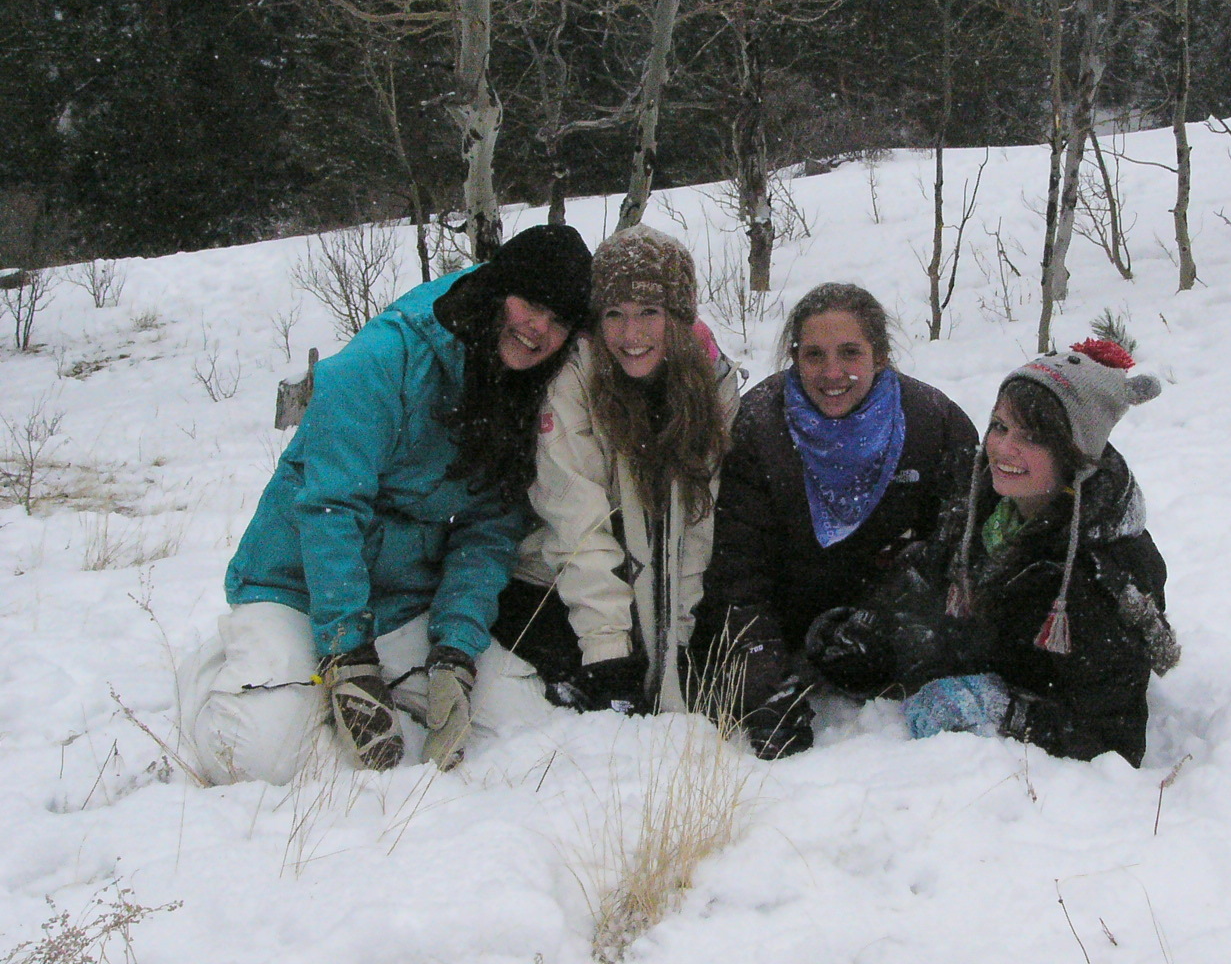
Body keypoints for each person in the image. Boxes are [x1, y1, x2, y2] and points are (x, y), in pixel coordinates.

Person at [175, 225, 592, 784]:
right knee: (254, 758)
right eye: (531, 304)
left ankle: (333, 690)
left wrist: (454, 651)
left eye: (558, 320)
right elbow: (330, 510)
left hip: (402, 601)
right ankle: (224, 673)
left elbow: (488, 531)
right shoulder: (384, 359)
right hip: (297, 589)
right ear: (498, 288)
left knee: (519, 722)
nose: (538, 329)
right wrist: (347, 655)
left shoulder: (525, 390)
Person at [693, 282, 979, 759]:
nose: (831, 373)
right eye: (814, 355)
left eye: (850, 353)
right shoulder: (760, 427)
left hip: (889, 628)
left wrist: (897, 626)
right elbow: (738, 571)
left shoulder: (933, 423)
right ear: (794, 357)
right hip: (784, 625)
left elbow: (959, 551)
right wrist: (763, 685)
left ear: (880, 355)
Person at [892, 340, 1180, 766]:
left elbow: (1111, 738)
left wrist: (1006, 711)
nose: (1004, 449)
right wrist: (877, 637)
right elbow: (928, 583)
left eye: (1032, 437)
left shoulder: (1101, 575)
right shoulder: (986, 505)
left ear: (1074, 454)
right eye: (1000, 426)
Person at [493, 226, 741, 715]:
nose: (631, 335)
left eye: (649, 312)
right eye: (614, 314)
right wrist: (607, 650)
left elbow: (697, 523)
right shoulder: (575, 379)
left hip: (661, 582)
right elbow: (576, 520)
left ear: (678, 317)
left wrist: (679, 639)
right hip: (557, 584)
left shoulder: (711, 385)